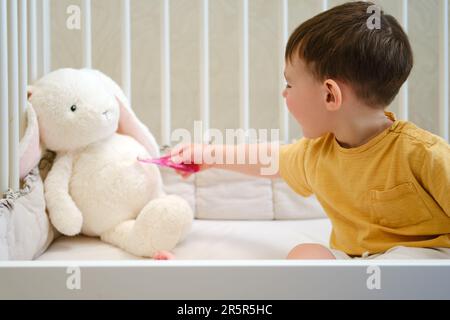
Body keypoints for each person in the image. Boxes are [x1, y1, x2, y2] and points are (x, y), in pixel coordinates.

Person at [170, 1, 450, 260]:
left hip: (425, 260)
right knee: (305, 255)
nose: (284, 93)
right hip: (356, 261)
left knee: (401, 263)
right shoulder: (318, 154)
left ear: (330, 95)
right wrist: (209, 155)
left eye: (290, 84)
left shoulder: (423, 153)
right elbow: (269, 159)